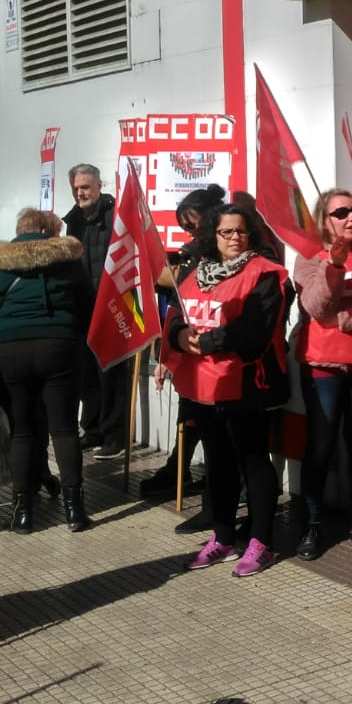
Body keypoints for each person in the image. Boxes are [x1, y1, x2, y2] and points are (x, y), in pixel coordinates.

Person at [164, 201, 292, 578]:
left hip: (247, 385)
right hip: (202, 386)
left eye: (241, 231)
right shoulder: (193, 272)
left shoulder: (266, 273)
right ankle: (222, 538)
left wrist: (208, 342)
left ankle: (261, 541)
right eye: (226, 232)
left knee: (253, 461)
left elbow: (256, 330)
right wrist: (179, 334)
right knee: (217, 462)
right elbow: (173, 315)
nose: (235, 238)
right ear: (213, 236)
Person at [0, 209, 95, 534]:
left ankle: (23, 513)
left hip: (11, 351)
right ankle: (75, 512)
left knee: (22, 431)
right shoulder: (68, 265)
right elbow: (88, 310)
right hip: (59, 348)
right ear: (50, 232)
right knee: (64, 430)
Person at [292, 189, 352, 560]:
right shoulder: (309, 259)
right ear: (324, 220)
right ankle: (312, 524)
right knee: (321, 445)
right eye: (341, 212)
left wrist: (341, 319)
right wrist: (333, 266)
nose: (351, 218)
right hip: (322, 365)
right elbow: (315, 307)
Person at [143, 184, 226, 503]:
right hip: (191, 347)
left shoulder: (225, 252)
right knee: (189, 410)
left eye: (193, 225)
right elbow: (178, 296)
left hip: (219, 351)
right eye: (185, 227)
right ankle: (179, 468)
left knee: (217, 424)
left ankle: (224, 483)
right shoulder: (195, 252)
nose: (190, 232)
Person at [63, 163, 130, 461]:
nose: (80, 193)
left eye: (86, 187)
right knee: (87, 372)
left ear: (99, 185)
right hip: (82, 307)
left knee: (112, 373)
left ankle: (115, 435)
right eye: (76, 188)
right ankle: (91, 430)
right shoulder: (74, 220)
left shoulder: (115, 213)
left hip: (112, 306)